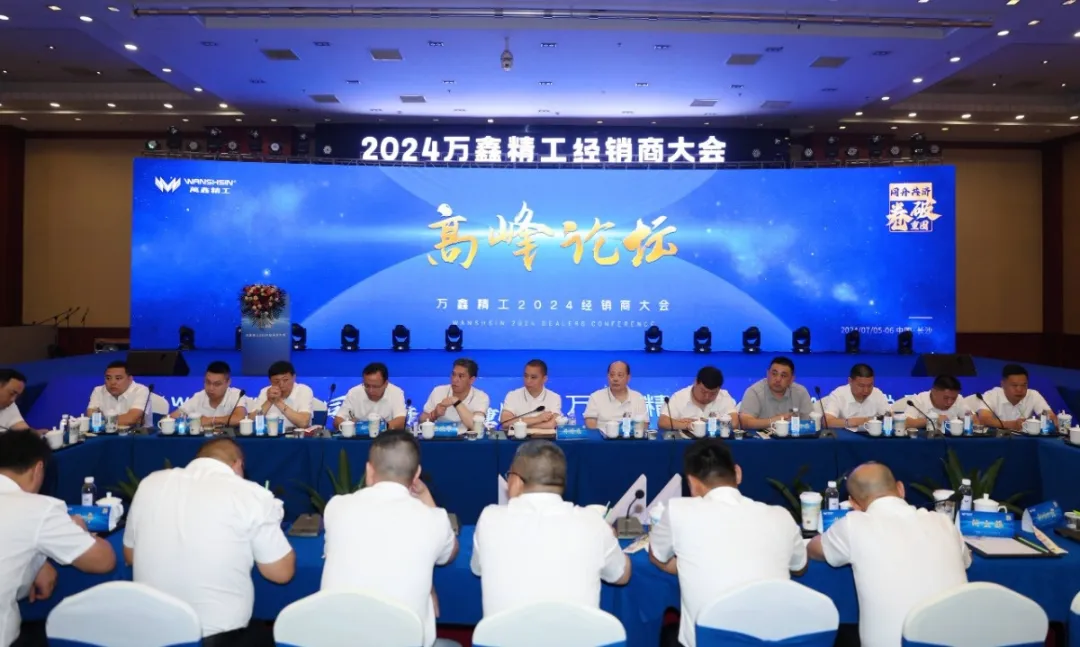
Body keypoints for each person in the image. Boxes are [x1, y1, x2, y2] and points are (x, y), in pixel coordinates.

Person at [123, 438, 295, 647]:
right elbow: (281, 573)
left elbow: (130, 556)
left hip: (151, 635)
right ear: (238, 464)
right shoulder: (250, 493)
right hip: (219, 638)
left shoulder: (150, 484)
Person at [651, 439, 806, 647]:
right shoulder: (781, 516)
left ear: (692, 483)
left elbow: (657, 556)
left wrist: (689, 566)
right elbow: (799, 567)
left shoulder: (678, 511)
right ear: (738, 473)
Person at [807, 462, 970, 647]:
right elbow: (967, 561)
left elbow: (814, 549)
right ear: (901, 489)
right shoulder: (944, 523)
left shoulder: (853, 525)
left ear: (853, 504)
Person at [322, 432, 458, 647]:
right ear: (417, 474)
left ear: (369, 470)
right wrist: (426, 497)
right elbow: (450, 553)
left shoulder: (337, 507)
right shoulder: (434, 519)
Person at [471, 441, 630, 617]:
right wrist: (609, 536)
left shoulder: (489, 518)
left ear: (515, 480)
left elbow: (477, 568)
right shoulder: (592, 522)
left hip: (503, 635)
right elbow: (622, 575)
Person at [0, 430, 116, 647]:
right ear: (38, 468)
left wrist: (38, 561)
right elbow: (103, 561)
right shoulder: (37, 508)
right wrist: (80, 528)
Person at [737, 357, 814, 430]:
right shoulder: (754, 391)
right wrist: (776, 420)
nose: (778, 379)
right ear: (767, 374)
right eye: (774, 374)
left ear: (791, 379)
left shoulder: (800, 392)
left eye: (783, 376)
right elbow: (745, 422)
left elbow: (811, 423)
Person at [976, 364, 1057, 430]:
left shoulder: (1033, 395)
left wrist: (1050, 420)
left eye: (1024, 385)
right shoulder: (991, 395)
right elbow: (984, 419)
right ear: (1003, 384)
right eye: (1014, 385)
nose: (1019, 389)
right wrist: (1011, 425)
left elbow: (1050, 417)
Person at [659, 366, 738, 433]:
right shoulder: (680, 397)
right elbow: (663, 422)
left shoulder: (724, 396)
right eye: (703, 392)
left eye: (713, 393)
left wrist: (705, 424)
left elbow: (734, 423)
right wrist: (687, 425)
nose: (707, 397)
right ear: (695, 382)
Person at [420, 359, 490, 433]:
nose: (454, 379)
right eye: (453, 374)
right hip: (440, 436)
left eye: (461, 376)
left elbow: (476, 427)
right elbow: (421, 420)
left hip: (467, 438)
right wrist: (434, 414)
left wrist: (456, 402)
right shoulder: (438, 391)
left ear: (471, 380)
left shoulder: (481, 397)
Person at [171, 361, 247, 429]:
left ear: (228, 383)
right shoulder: (199, 397)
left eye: (217, 384)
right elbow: (173, 416)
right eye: (208, 382)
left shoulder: (236, 395)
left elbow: (239, 419)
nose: (211, 388)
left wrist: (210, 420)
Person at [333, 362, 407, 431]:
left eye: (375, 387)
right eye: (367, 385)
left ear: (386, 384)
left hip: (386, 437)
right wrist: (348, 426)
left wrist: (373, 428)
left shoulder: (396, 392)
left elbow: (400, 421)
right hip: (358, 437)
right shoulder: (354, 392)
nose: (370, 391)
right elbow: (337, 420)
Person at [249, 361, 313, 432]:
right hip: (270, 435)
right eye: (276, 381)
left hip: (296, 436)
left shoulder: (304, 390)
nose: (281, 384)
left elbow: (304, 423)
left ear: (294, 377)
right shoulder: (265, 392)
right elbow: (251, 421)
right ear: (270, 381)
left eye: (285, 380)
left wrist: (278, 402)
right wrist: (269, 401)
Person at [499, 359, 563, 430]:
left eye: (533, 377)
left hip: (544, 437)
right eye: (526, 376)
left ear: (544, 379)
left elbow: (550, 425)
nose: (528, 381)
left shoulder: (554, 397)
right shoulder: (512, 395)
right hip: (516, 437)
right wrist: (538, 419)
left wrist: (518, 425)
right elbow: (505, 423)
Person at [822, 363, 890, 429]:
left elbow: (889, 416)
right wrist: (849, 422)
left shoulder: (877, 393)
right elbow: (826, 421)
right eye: (861, 386)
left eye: (870, 385)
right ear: (850, 381)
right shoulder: (838, 394)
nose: (866, 390)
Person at [582, 361, 647, 429]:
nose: (615, 379)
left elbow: (644, 424)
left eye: (620, 375)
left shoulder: (638, 398)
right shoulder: (596, 397)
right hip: (602, 435)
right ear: (608, 376)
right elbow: (590, 424)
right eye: (612, 375)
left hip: (630, 435)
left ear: (628, 378)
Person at [85, 360, 151, 427]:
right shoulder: (98, 391)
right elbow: (91, 415)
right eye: (108, 378)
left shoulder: (141, 390)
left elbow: (131, 419)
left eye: (118, 378)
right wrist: (125, 420)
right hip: (105, 432)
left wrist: (101, 419)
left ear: (130, 379)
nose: (112, 382)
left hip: (137, 433)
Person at [904, 375, 968, 430]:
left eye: (954, 399)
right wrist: (933, 420)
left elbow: (971, 418)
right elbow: (905, 423)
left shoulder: (959, 399)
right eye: (946, 398)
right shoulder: (919, 400)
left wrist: (970, 419)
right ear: (934, 392)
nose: (949, 402)